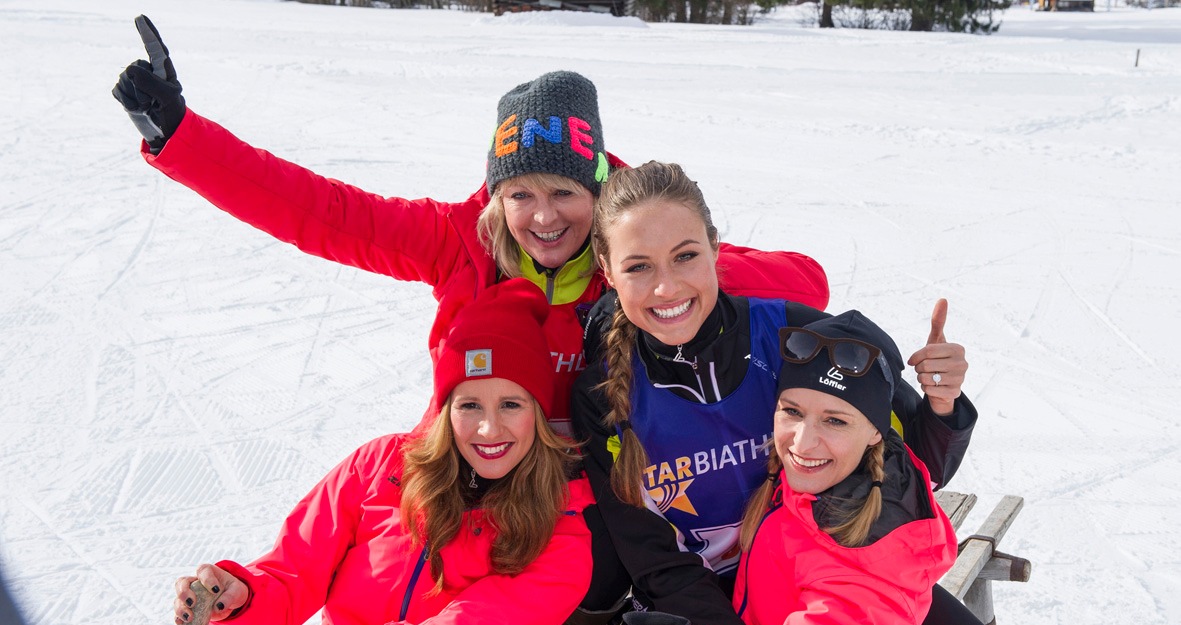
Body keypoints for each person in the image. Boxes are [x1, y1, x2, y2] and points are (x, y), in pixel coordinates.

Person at [110, 16, 829, 437]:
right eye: (519, 193)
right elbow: (314, 210)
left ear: (598, 188)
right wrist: (182, 138)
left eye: (563, 192)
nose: (542, 216)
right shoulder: (459, 242)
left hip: (603, 488)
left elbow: (807, 281)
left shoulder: (640, 247)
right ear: (496, 195)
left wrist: (649, 273)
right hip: (476, 465)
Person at [507, 161, 1002, 625]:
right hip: (702, 594)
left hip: (810, 574)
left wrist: (941, 407)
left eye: (686, 256)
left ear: (716, 251)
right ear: (609, 273)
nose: (667, 287)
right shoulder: (603, 394)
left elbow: (907, 469)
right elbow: (651, 557)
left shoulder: (793, 336)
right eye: (639, 267)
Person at [156, 279, 594, 625]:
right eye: (469, 404)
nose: (489, 430)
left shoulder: (558, 535)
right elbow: (291, 573)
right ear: (445, 408)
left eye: (511, 405)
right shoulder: (380, 467)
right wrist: (241, 597)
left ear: (538, 413)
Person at [511, 308, 958, 625]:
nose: (804, 441)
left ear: (876, 432)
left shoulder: (867, 558)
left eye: (836, 421)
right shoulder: (819, 488)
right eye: (792, 412)